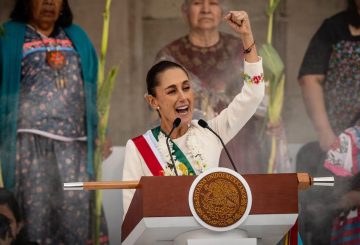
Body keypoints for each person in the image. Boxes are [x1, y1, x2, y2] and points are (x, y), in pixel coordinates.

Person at [123, 10, 265, 215]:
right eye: (172, 91)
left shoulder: (211, 132)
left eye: (187, 87)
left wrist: (247, 37)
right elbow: (131, 215)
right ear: (153, 101)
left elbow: (253, 94)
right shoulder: (138, 149)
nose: (183, 97)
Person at [0, 0, 108, 243]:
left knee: (75, 218)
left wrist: (102, 128)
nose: (49, 2)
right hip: (29, 146)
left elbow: (96, 88)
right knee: (34, 218)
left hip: (76, 147)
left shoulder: (76, 36)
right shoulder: (9, 36)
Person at [155, 0, 290, 174]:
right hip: (187, 144)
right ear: (184, 11)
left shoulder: (241, 49)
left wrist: (271, 120)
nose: (205, 10)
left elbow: (260, 98)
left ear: (223, 11)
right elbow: (158, 110)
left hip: (240, 143)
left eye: (213, 3)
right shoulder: (170, 55)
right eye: (197, 3)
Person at [297, 0, 360, 244]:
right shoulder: (334, 29)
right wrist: (325, 131)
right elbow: (310, 78)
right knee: (326, 199)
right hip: (337, 140)